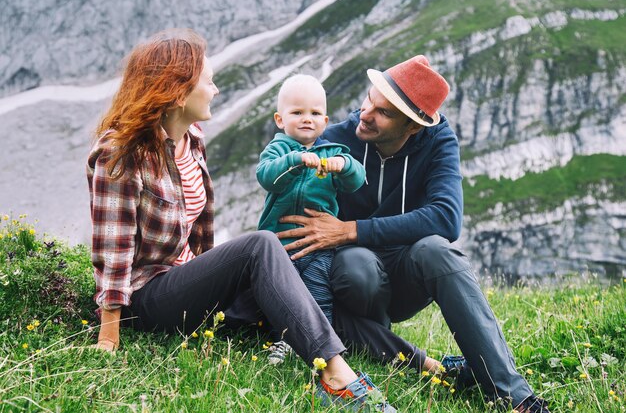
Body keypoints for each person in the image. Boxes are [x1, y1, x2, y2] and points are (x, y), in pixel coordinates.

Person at [86, 28, 395, 412]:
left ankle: (422, 362)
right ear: (177, 91)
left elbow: (199, 234)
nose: (215, 90)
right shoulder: (120, 153)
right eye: (209, 81)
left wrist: (213, 279)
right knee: (261, 245)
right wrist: (110, 334)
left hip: (187, 283)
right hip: (147, 297)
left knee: (302, 292)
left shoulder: (190, 139)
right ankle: (336, 376)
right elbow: (112, 248)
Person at [277, 55, 550, 412]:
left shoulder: (437, 142)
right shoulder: (336, 139)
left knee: (438, 250)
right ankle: (384, 353)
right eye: (368, 100)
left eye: (384, 113)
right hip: (348, 277)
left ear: (413, 127)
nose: (366, 114)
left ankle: (515, 398)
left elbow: (447, 218)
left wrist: (352, 230)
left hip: (405, 271)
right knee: (357, 263)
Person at [256, 74, 365, 364]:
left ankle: (320, 346)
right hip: (280, 245)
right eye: (298, 113)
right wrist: (294, 161)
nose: (307, 119)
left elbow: (357, 180)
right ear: (280, 120)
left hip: (319, 246)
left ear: (325, 121)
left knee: (318, 293)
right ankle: (281, 341)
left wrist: (344, 166)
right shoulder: (279, 150)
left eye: (315, 113)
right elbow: (267, 177)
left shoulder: (333, 153)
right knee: (281, 294)